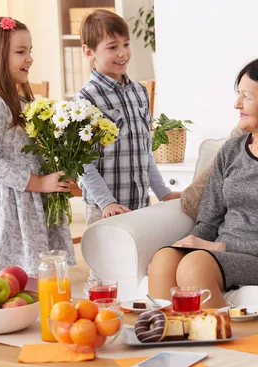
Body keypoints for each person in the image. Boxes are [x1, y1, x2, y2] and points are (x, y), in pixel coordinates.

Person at [147, 55, 258, 309]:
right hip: (216, 253)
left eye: (247, 96)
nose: (236, 103)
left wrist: (215, 247)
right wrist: (185, 244)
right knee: (164, 259)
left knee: (196, 264)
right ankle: (171, 342)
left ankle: (222, 344)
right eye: (238, 94)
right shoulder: (231, 151)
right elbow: (207, 223)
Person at [0, 17, 76, 284]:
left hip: (27, 197)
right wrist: (38, 182)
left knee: (33, 269)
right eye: (20, 52)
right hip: (6, 201)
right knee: (7, 274)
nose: (30, 59)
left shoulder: (19, 98)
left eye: (30, 50)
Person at [75, 9, 179, 226]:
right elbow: (83, 164)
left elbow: (145, 152)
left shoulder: (139, 93)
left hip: (141, 205)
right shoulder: (84, 100)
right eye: (112, 47)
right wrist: (107, 203)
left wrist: (163, 193)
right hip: (105, 211)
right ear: (89, 52)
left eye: (126, 44)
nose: (122, 53)